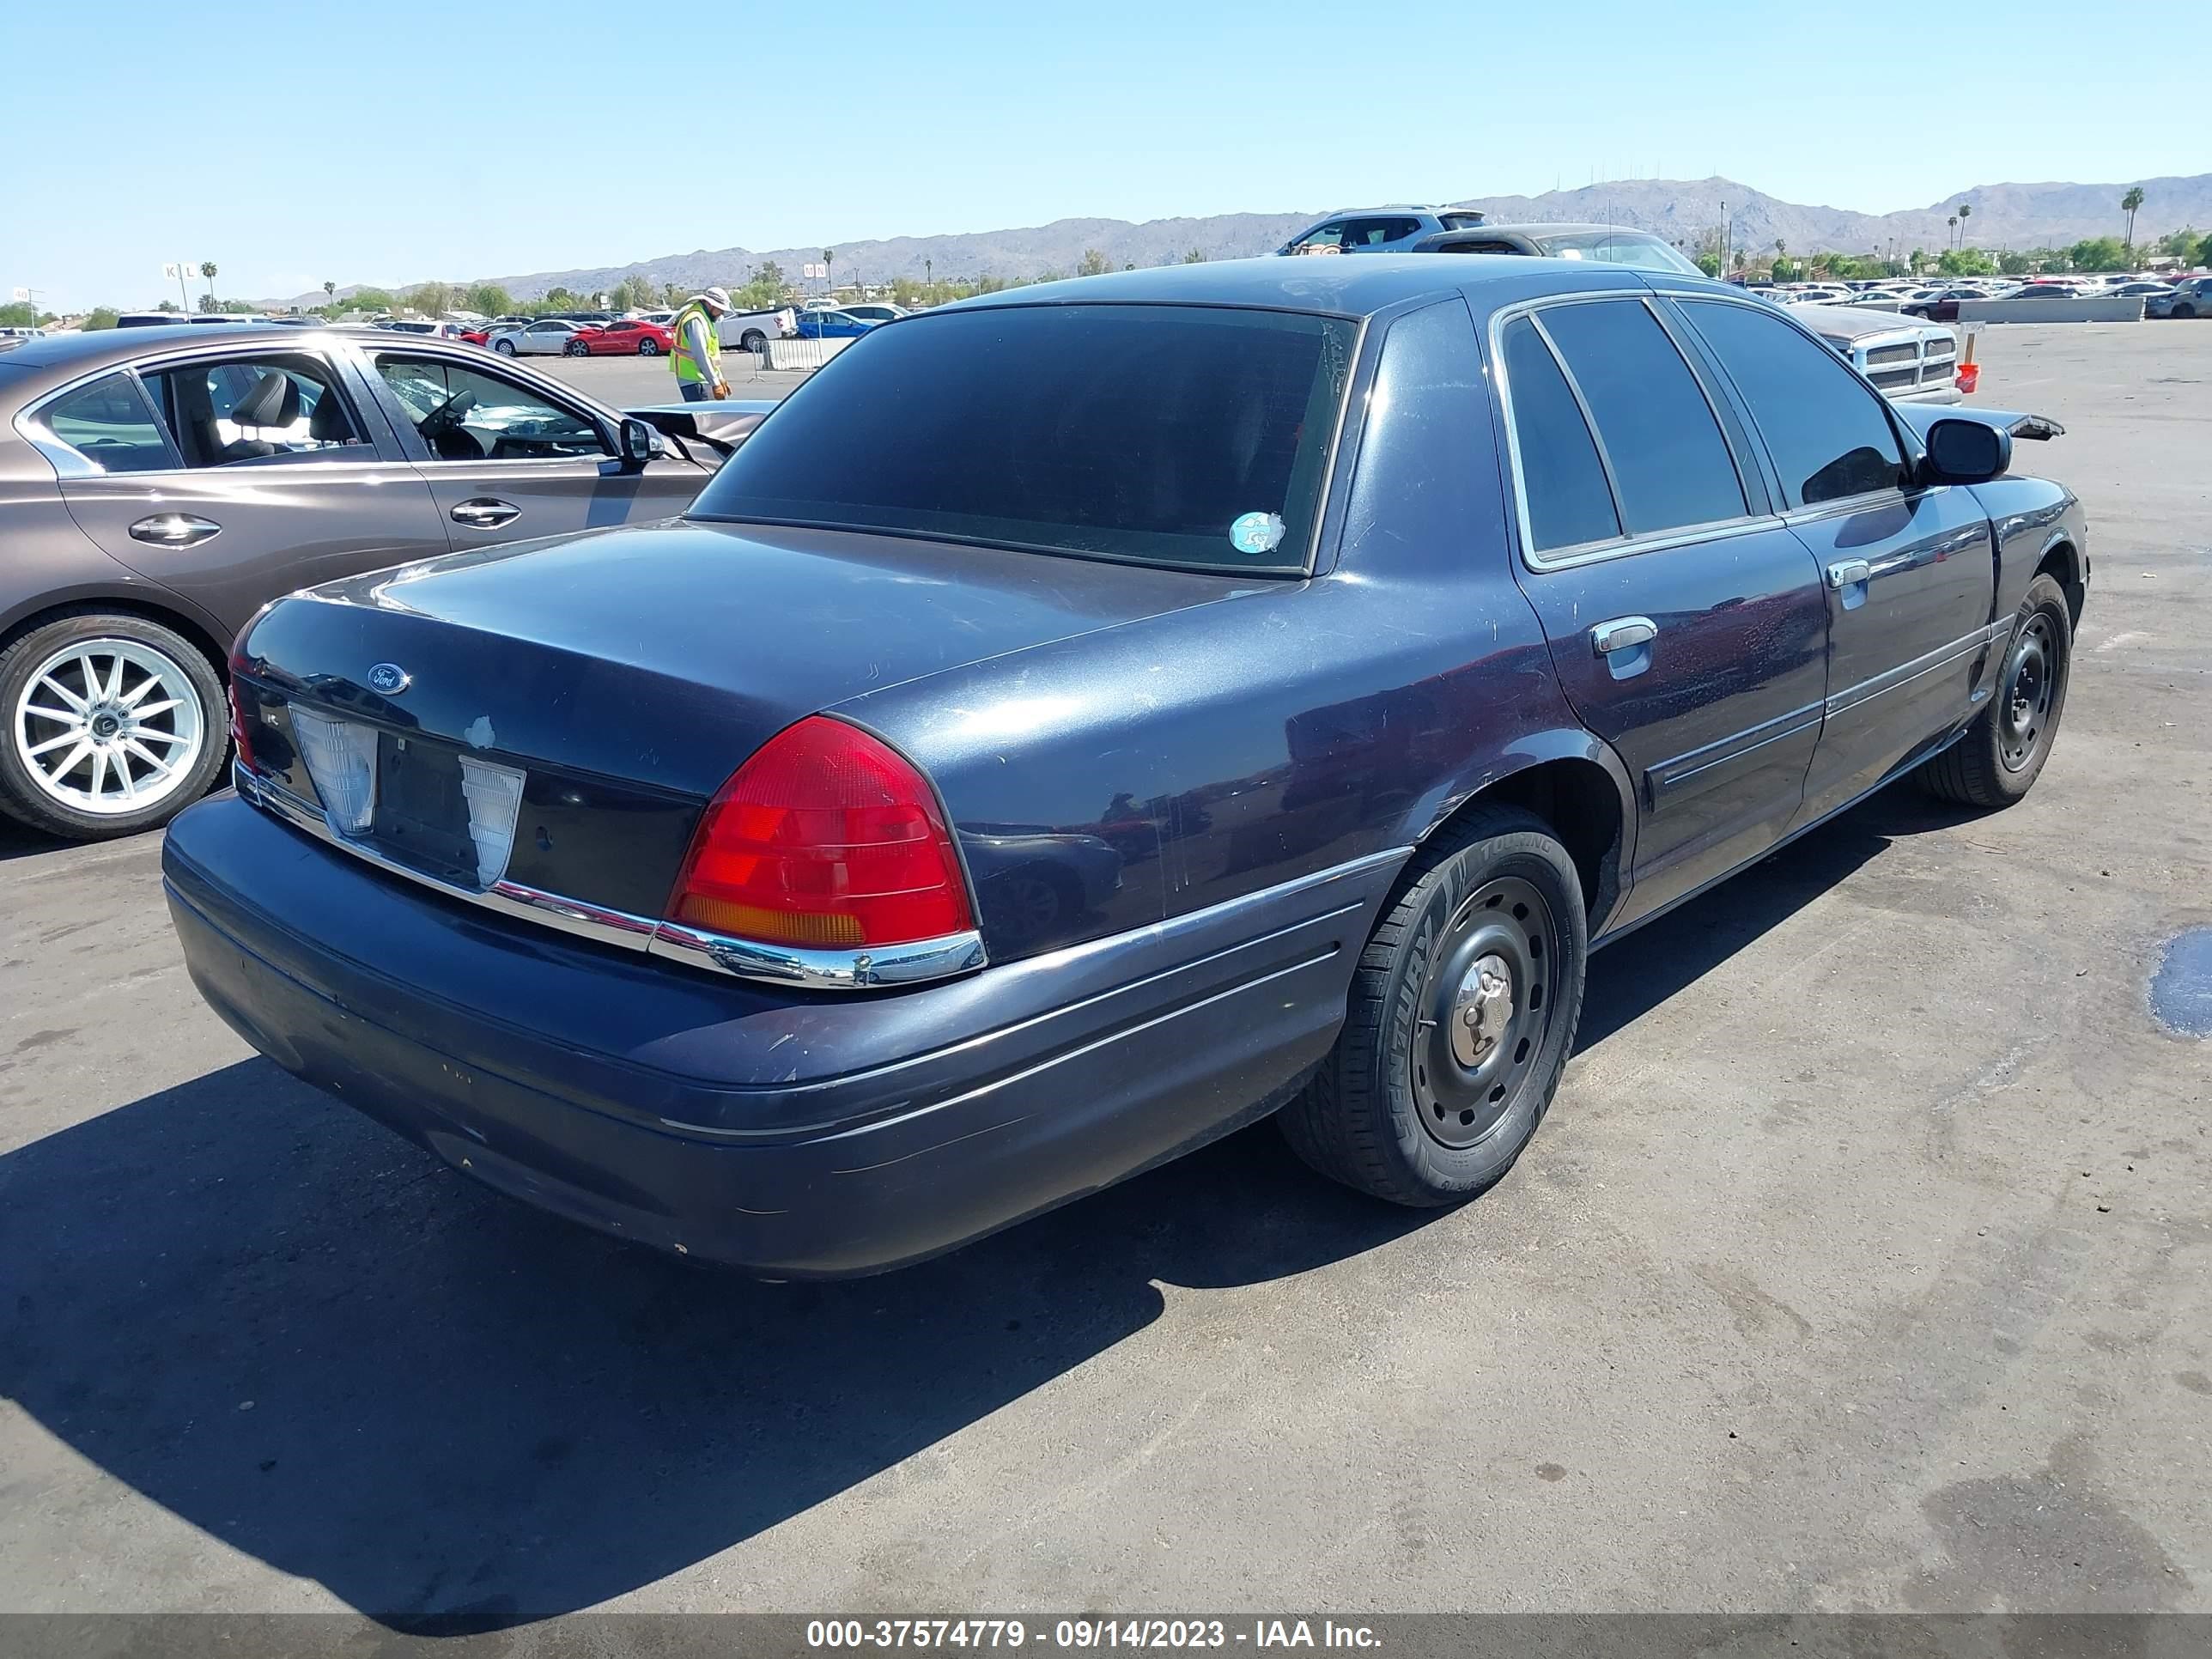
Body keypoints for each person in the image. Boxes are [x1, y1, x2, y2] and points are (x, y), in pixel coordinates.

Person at [669, 287, 732, 402]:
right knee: (704, 418)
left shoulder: (705, 318)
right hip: (694, 380)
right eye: (720, 308)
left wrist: (720, 378)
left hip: (705, 379)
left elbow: (711, 355)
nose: (722, 312)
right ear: (709, 304)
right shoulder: (695, 320)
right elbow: (701, 355)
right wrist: (715, 382)